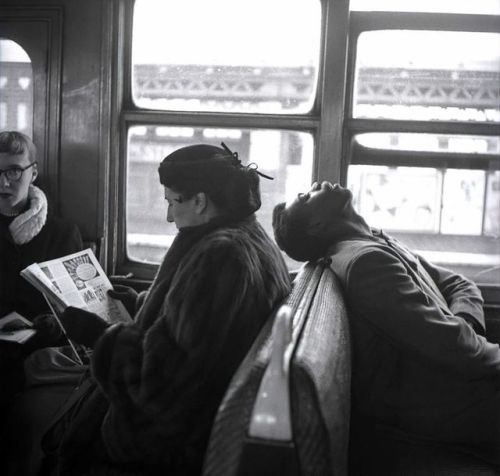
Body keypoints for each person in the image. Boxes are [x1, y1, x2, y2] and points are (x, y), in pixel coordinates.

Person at [25, 143, 291, 476]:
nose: (168, 215)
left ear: (200, 200)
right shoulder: (249, 238)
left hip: (161, 443)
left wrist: (99, 337)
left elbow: (160, 389)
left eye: (171, 201)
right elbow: (193, 327)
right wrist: (138, 303)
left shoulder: (220, 258)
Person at [272, 180, 500, 467]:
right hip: (448, 403)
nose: (317, 183)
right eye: (306, 196)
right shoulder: (365, 264)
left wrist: (465, 327)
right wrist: (465, 336)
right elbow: (453, 349)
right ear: (316, 225)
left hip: (461, 374)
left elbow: (459, 284)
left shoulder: (375, 240)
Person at [0, 131, 83, 403]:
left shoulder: (61, 233)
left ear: (33, 173)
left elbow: (77, 305)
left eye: (14, 171)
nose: (3, 182)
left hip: (36, 343)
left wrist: (54, 324)